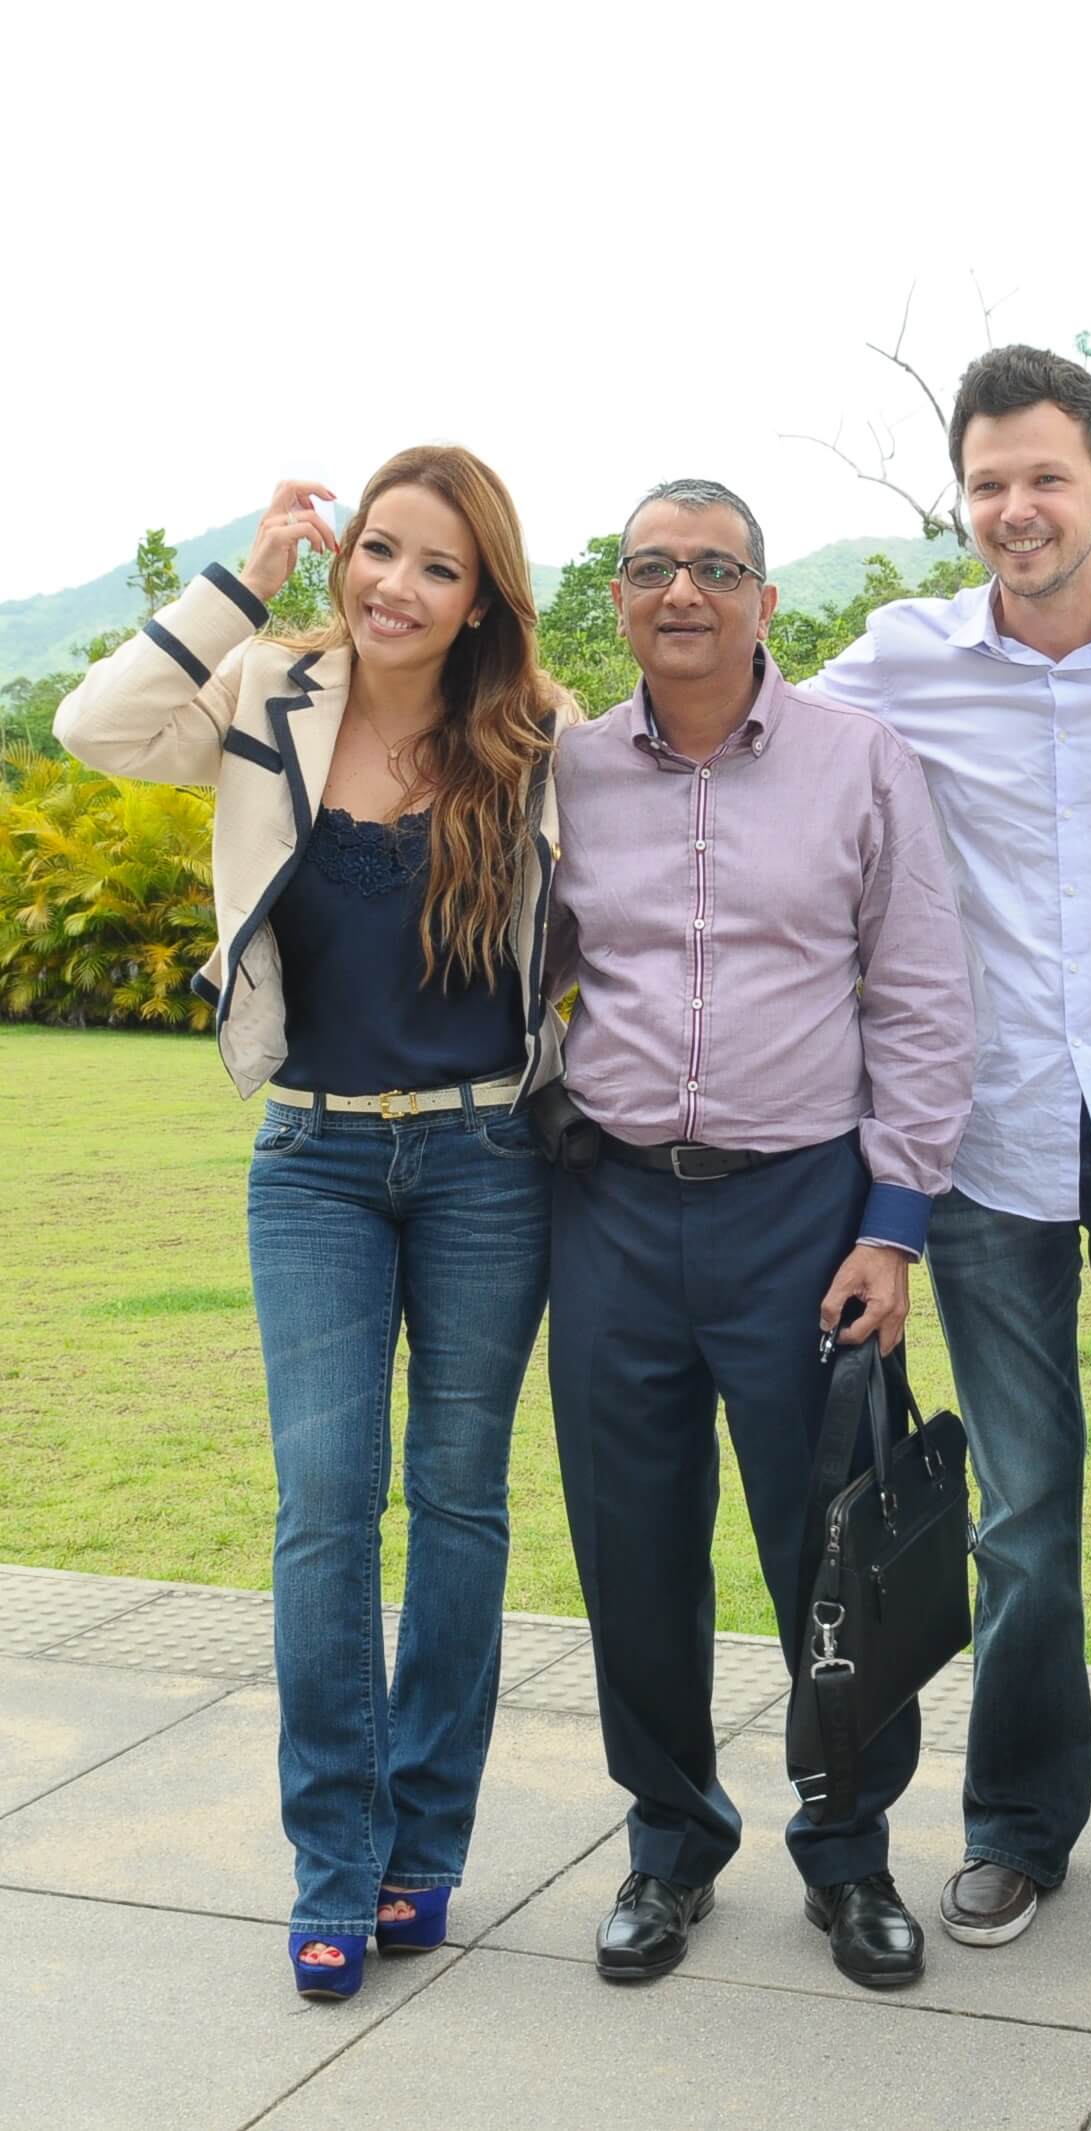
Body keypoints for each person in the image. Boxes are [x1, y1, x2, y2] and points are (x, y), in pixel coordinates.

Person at [54, 448, 574, 1999]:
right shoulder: (265, 693)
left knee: (462, 1504)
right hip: (316, 1166)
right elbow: (97, 727)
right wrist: (249, 576)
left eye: (435, 567)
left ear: (482, 598)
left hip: (489, 1163)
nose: (395, 588)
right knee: (323, 1508)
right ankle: (332, 1864)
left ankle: (427, 1850)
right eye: (378, 552)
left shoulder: (535, 742)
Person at [543, 477, 975, 1990]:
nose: (682, 593)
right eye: (650, 567)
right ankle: (670, 1846)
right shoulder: (568, 770)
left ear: (765, 600)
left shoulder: (862, 765)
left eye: (714, 567)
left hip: (805, 1222)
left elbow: (922, 994)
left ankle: (849, 1856)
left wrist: (897, 1225)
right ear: (618, 598)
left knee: (833, 1558)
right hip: (607, 1213)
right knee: (633, 1555)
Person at [816, 344, 1091, 1946]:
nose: (1016, 509)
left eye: (1047, 476)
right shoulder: (900, 662)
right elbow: (732, 733)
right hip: (986, 1152)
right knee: (1023, 1515)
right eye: (988, 483)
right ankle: (1019, 1826)